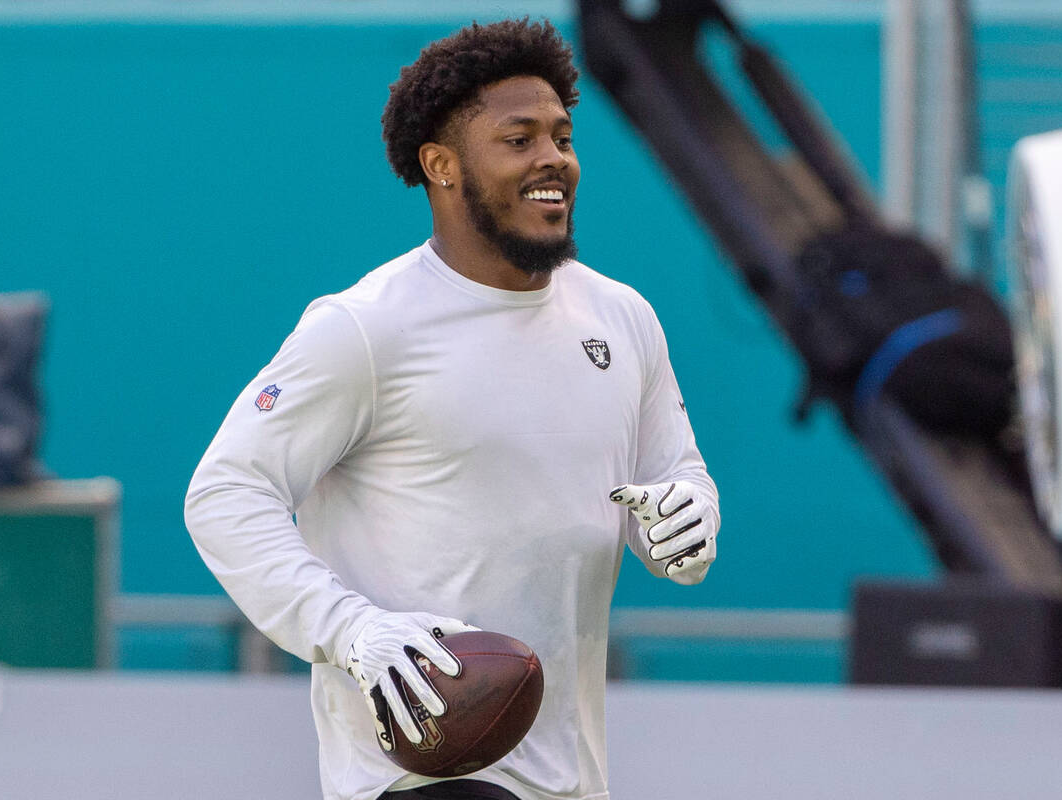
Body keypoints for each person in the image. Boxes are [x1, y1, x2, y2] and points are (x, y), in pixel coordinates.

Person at [184, 18, 720, 800]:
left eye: (563, 137)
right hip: (420, 774)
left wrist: (688, 520)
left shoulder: (623, 317)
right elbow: (226, 494)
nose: (553, 161)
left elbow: (672, 474)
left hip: (567, 775)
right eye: (519, 139)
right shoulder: (365, 327)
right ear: (440, 165)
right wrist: (352, 630)